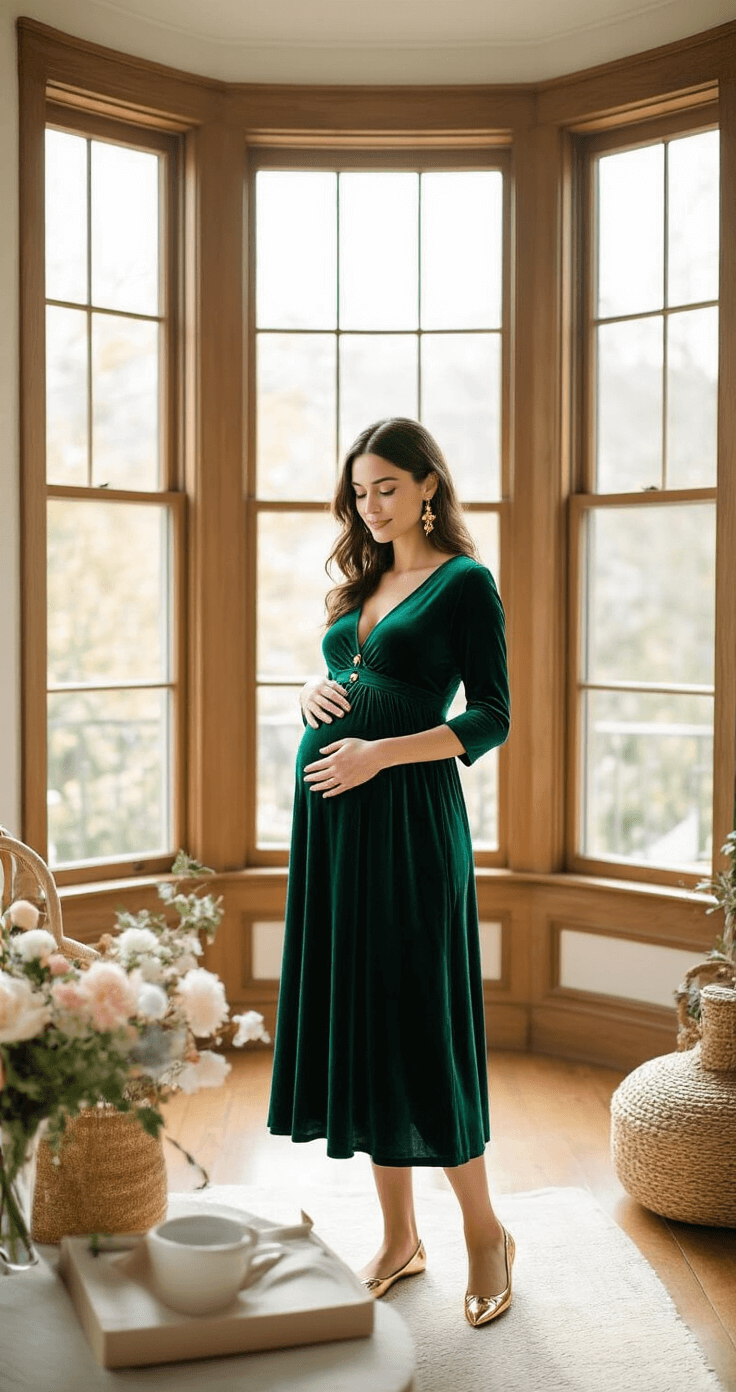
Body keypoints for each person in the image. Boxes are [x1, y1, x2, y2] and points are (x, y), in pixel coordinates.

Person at [267, 417, 514, 1326]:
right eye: (359, 491)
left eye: (385, 488)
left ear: (427, 487)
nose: (369, 506)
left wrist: (379, 754)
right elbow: (350, 673)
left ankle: (485, 1232)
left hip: (410, 825)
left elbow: (491, 717)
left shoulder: (464, 585)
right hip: (335, 836)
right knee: (369, 1020)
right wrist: (309, 691)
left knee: (420, 1022)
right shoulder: (361, 583)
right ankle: (401, 1236)